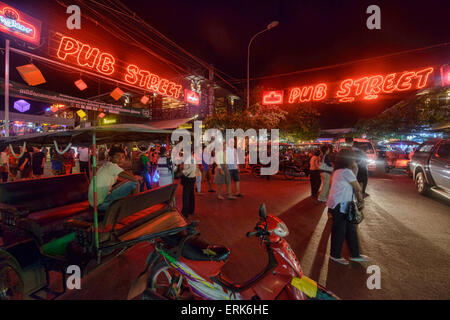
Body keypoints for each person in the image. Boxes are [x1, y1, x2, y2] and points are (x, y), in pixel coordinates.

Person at [327, 149, 369, 265]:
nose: (355, 161)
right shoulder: (346, 172)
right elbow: (358, 187)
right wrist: (355, 170)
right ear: (349, 160)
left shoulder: (338, 171)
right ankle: (335, 255)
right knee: (339, 231)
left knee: (350, 230)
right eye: (354, 158)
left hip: (342, 204)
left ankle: (355, 254)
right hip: (339, 205)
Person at [88, 146, 142, 212]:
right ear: (110, 158)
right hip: (100, 204)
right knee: (135, 183)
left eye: (122, 157)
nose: (120, 159)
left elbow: (123, 181)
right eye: (117, 156)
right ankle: (135, 206)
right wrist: (135, 178)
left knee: (130, 181)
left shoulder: (107, 166)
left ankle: (134, 204)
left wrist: (131, 179)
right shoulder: (111, 166)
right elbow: (126, 175)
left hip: (102, 199)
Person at [179, 151, 196, 217]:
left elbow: (190, 169)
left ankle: (185, 212)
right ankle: (190, 210)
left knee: (186, 195)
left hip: (189, 178)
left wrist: (182, 172)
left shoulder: (191, 159)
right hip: (191, 178)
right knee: (191, 195)